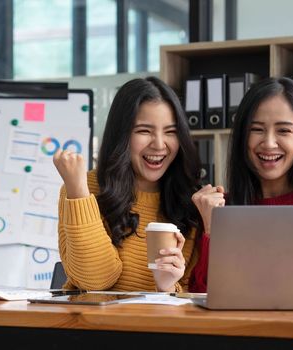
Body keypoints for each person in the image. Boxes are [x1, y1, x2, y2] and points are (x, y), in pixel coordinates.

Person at [188, 77, 293, 293]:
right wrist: (212, 229)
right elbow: (202, 295)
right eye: (257, 129)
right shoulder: (218, 208)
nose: (269, 143)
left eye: (283, 131)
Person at [53, 77, 206, 292]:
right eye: (144, 131)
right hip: (91, 324)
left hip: (154, 325)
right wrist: (78, 191)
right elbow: (95, 281)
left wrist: (167, 286)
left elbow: (191, 299)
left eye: (171, 132)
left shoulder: (188, 202)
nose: (159, 145)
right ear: (122, 134)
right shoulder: (83, 189)